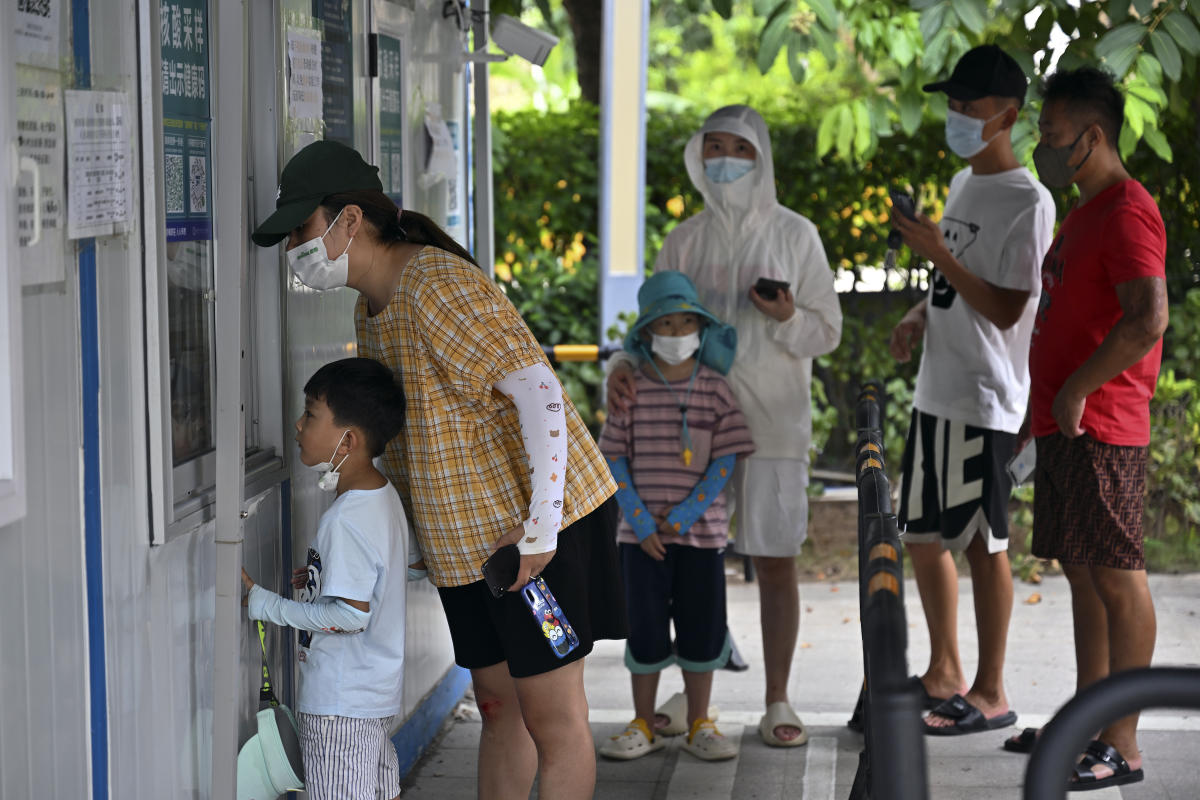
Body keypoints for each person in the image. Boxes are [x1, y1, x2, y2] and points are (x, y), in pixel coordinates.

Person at [251, 140, 625, 800]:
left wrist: (540, 531)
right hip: (469, 549)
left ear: (349, 222)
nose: (294, 252)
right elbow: (408, 431)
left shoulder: (438, 286)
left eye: (302, 231)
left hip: (535, 535)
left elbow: (539, 392)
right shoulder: (371, 309)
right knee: (499, 705)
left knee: (554, 719)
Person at [608, 105, 842, 747]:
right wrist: (626, 365)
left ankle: (777, 698)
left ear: (761, 156)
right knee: (689, 561)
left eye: (738, 147)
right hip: (682, 434)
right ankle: (695, 693)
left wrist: (789, 315)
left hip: (773, 424)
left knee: (773, 560)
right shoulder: (684, 239)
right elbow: (654, 319)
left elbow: (828, 331)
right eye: (713, 146)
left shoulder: (797, 236)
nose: (724, 159)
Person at [883, 44, 1056, 737]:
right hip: (936, 391)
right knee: (923, 537)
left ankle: (991, 690)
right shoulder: (961, 184)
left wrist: (939, 253)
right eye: (951, 103)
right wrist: (917, 315)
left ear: (1007, 115)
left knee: (986, 543)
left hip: (986, 400)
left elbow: (1014, 308)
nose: (956, 116)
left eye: (969, 107)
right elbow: (956, 286)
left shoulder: (1029, 201)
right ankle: (946, 670)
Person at [1021, 66, 1168, 791]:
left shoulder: (1127, 209)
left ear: (1093, 135)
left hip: (1102, 424)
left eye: (1051, 137)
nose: (1043, 147)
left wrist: (1078, 388)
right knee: (1083, 573)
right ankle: (1088, 718)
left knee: (1117, 577)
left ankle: (1124, 741)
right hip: (1062, 424)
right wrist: (1038, 407)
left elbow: (1148, 317)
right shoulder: (1082, 210)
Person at [596, 272, 756, 762]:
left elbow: (726, 460)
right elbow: (613, 459)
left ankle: (700, 722)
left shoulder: (716, 389)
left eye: (687, 321)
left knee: (702, 631)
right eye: (666, 323)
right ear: (647, 332)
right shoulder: (631, 390)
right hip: (639, 541)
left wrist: (684, 517)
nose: (678, 331)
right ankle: (642, 722)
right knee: (644, 633)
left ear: (701, 329)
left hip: (701, 540)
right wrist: (641, 522)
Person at [242, 357, 409, 800]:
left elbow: (350, 617)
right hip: (370, 695)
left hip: (339, 702)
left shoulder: (345, 519)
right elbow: (379, 575)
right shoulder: (381, 496)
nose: (298, 425)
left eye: (311, 414)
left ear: (347, 440)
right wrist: (320, 579)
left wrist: (261, 603)